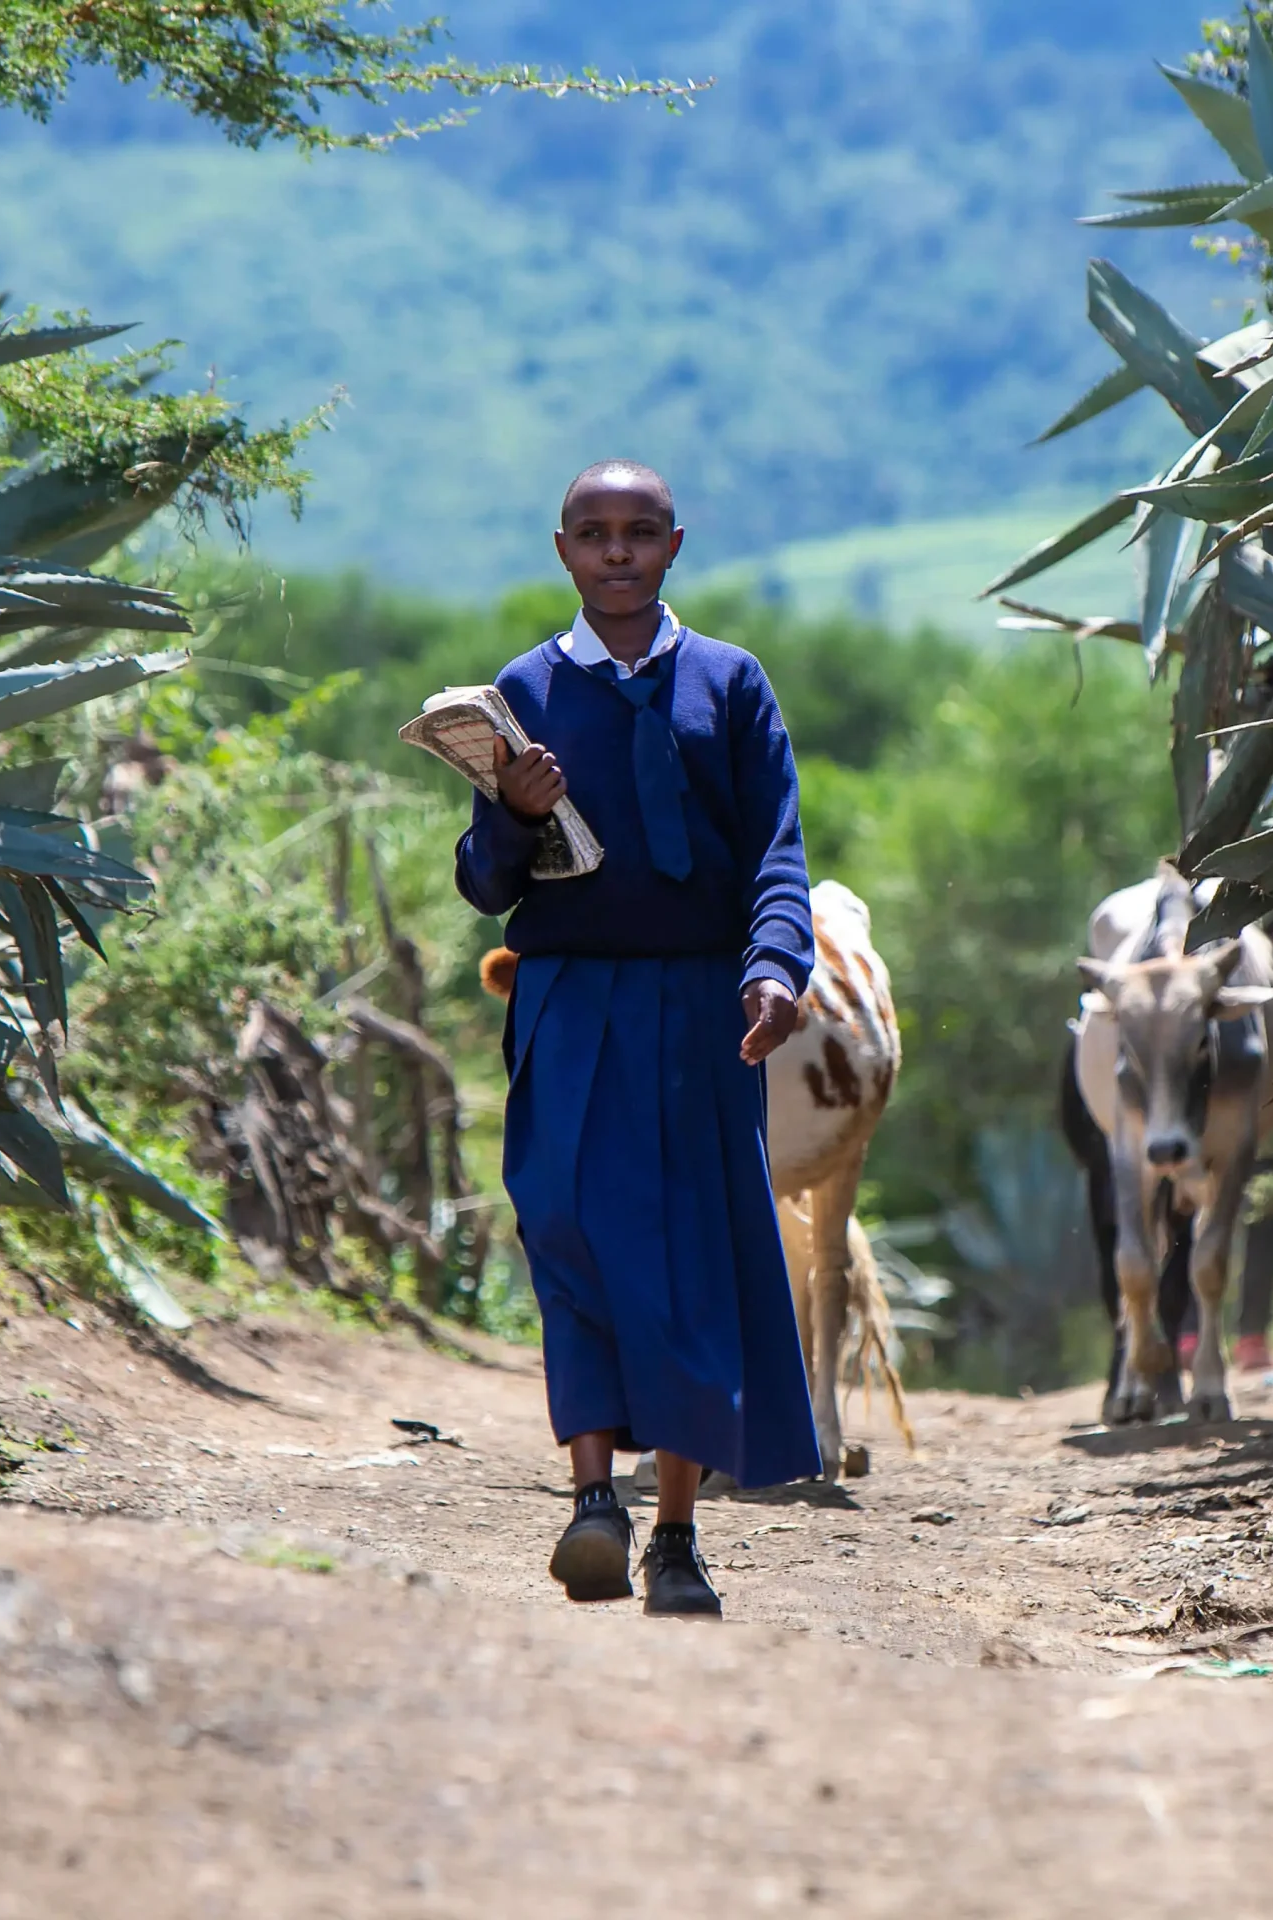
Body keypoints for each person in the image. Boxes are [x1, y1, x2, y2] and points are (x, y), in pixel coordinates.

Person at [451, 459, 818, 1618]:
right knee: (569, 1235)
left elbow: (776, 852)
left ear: (673, 545)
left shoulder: (730, 684)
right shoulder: (523, 692)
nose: (616, 552)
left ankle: (674, 1536)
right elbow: (479, 884)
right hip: (567, 1002)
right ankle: (589, 1500)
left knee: (691, 1257)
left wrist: (772, 967)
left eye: (639, 532)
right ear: (562, 551)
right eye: (594, 534)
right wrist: (511, 817)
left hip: (702, 1011)